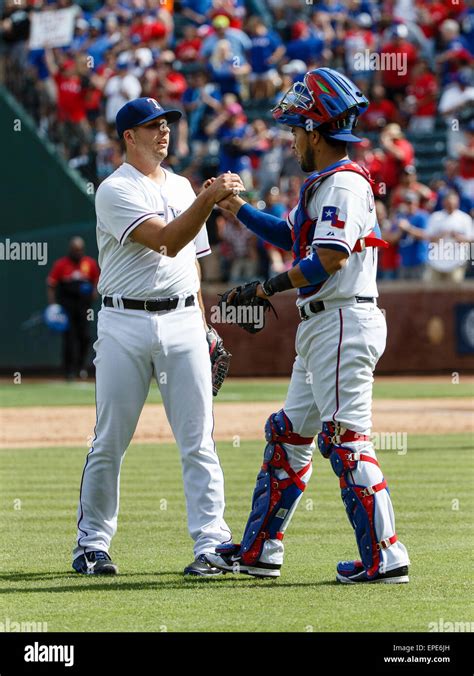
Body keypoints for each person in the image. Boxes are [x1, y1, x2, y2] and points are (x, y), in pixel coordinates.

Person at [206, 68, 410, 583]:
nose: (292, 139)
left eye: (296, 130)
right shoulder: (326, 182)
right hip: (325, 325)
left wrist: (265, 289)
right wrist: (240, 211)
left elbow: (329, 259)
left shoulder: (341, 182)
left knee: (345, 440)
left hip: (343, 320)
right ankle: (260, 552)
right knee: (288, 436)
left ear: (315, 133)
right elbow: (292, 235)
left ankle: (386, 556)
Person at [72, 97, 244, 577]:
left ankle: (212, 543)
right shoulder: (114, 189)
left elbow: (189, 258)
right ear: (129, 137)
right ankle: (91, 544)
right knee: (110, 439)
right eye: (152, 125)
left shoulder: (182, 184)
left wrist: (205, 321)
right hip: (125, 321)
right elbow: (167, 239)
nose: (164, 131)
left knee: (199, 439)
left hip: (183, 318)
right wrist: (209, 199)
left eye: (166, 123)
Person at [47, 237, 100, 380]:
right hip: (67, 307)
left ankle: (81, 367)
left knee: (85, 337)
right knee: (69, 339)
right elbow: (51, 284)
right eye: (75, 250)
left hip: (84, 308)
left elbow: (97, 280)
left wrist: (95, 291)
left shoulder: (89, 263)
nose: (78, 253)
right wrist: (53, 306)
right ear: (70, 250)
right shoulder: (61, 264)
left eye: (80, 250)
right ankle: (68, 370)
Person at [425, 191, 474, 282]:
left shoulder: (465, 218)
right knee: (433, 293)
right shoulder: (435, 217)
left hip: (457, 262)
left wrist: (456, 236)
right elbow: (428, 238)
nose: (451, 206)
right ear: (443, 203)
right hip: (436, 262)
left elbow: (470, 240)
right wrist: (442, 235)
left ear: (457, 203)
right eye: (448, 203)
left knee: (455, 294)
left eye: (453, 203)